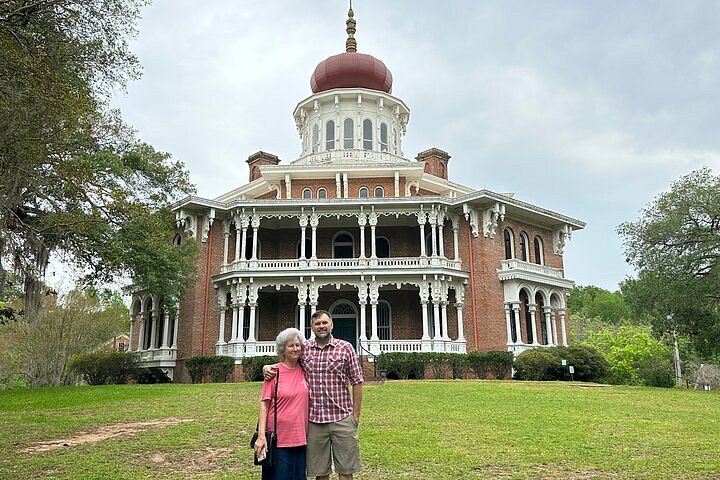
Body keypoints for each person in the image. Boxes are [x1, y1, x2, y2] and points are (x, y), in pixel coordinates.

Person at [264, 310, 364, 480]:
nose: (322, 326)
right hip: (315, 422)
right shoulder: (305, 350)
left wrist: (355, 415)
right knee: (320, 472)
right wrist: (267, 366)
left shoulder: (346, 348)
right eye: (317, 324)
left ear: (332, 324)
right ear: (312, 327)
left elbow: (357, 381)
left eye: (325, 323)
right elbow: (288, 360)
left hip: (342, 418)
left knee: (346, 471)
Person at [254, 328, 309, 480]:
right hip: (278, 440)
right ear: (282, 349)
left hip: (301, 438)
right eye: (291, 346)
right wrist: (261, 436)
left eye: (298, 345)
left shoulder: (305, 370)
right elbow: (264, 404)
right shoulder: (274, 372)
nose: (295, 348)